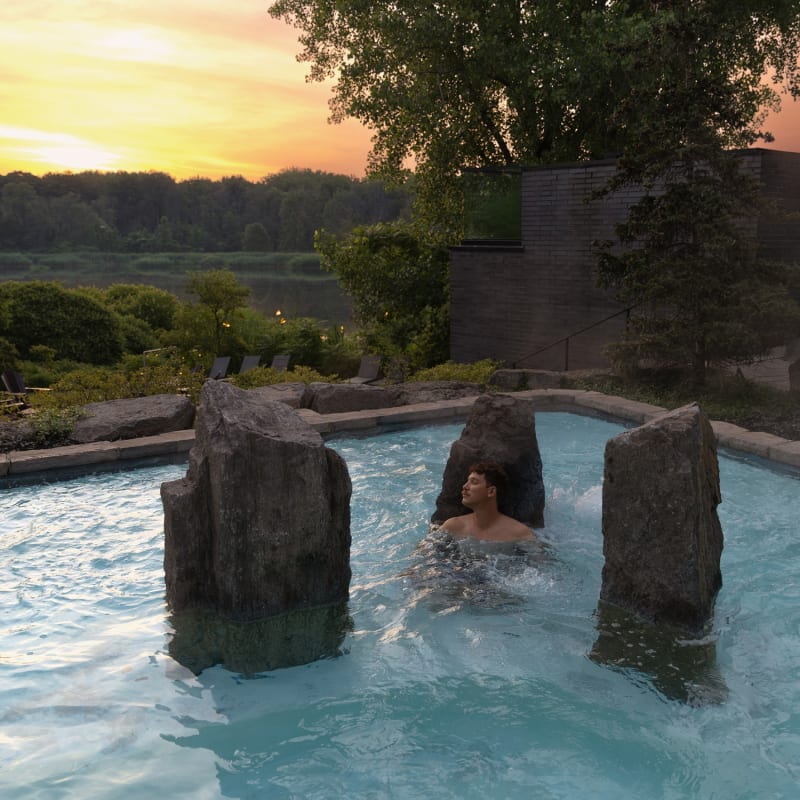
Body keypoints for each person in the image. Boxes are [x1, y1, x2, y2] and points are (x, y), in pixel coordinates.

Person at [439, 461, 539, 543]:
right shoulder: (453, 526)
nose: (465, 486)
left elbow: (540, 564)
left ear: (491, 491)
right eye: (467, 481)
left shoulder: (520, 534)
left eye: (474, 482)